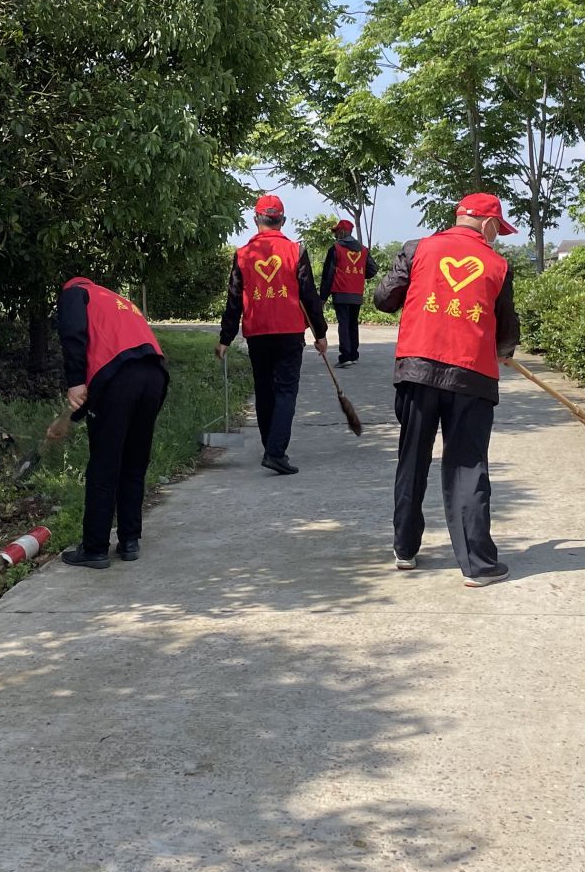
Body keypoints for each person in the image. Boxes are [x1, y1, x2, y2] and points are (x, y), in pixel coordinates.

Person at [373, 192, 521, 587]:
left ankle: (405, 549)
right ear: (489, 224)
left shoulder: (417, 249)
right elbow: (507, 328)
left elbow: (383, 299)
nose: (497, 238)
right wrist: (504, 351)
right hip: (471, 378)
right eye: (498, 230)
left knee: (412, 459)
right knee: (467, 467)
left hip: (417, 371)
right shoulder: (498, 265)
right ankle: (478, 566)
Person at [55, 276, 168, 569]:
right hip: (154, 375)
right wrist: (74, 416)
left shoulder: (74, 293)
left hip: (119, 379)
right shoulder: (115, 299)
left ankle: (94, 548)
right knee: (133, 461)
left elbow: (73, 334)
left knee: (104, 465)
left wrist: (76, 380)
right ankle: (129, 541)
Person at [218, 193, 328, 475]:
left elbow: (233, 299)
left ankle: (271, 447)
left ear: (256, 220)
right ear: (283, 221)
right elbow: (308, 295)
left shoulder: (243, 255)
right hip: (289, 332)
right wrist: (320, 332)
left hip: (257, 332)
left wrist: (225, 338)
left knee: (264, 390)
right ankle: (275, 452)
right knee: (286, 390)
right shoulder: (296, 251)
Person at [319, 219, 377, 367]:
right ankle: (353, 354)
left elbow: (328, 275)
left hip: (341, 292)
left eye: (337, 231)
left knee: (343, 323)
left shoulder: (336, 249)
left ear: (344, 232)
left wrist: (323, 297)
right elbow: (373, 269)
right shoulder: (363, 250)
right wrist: (357, 276)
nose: (336, 235)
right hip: (356, 293)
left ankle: (345, 357)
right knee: (352, 323)